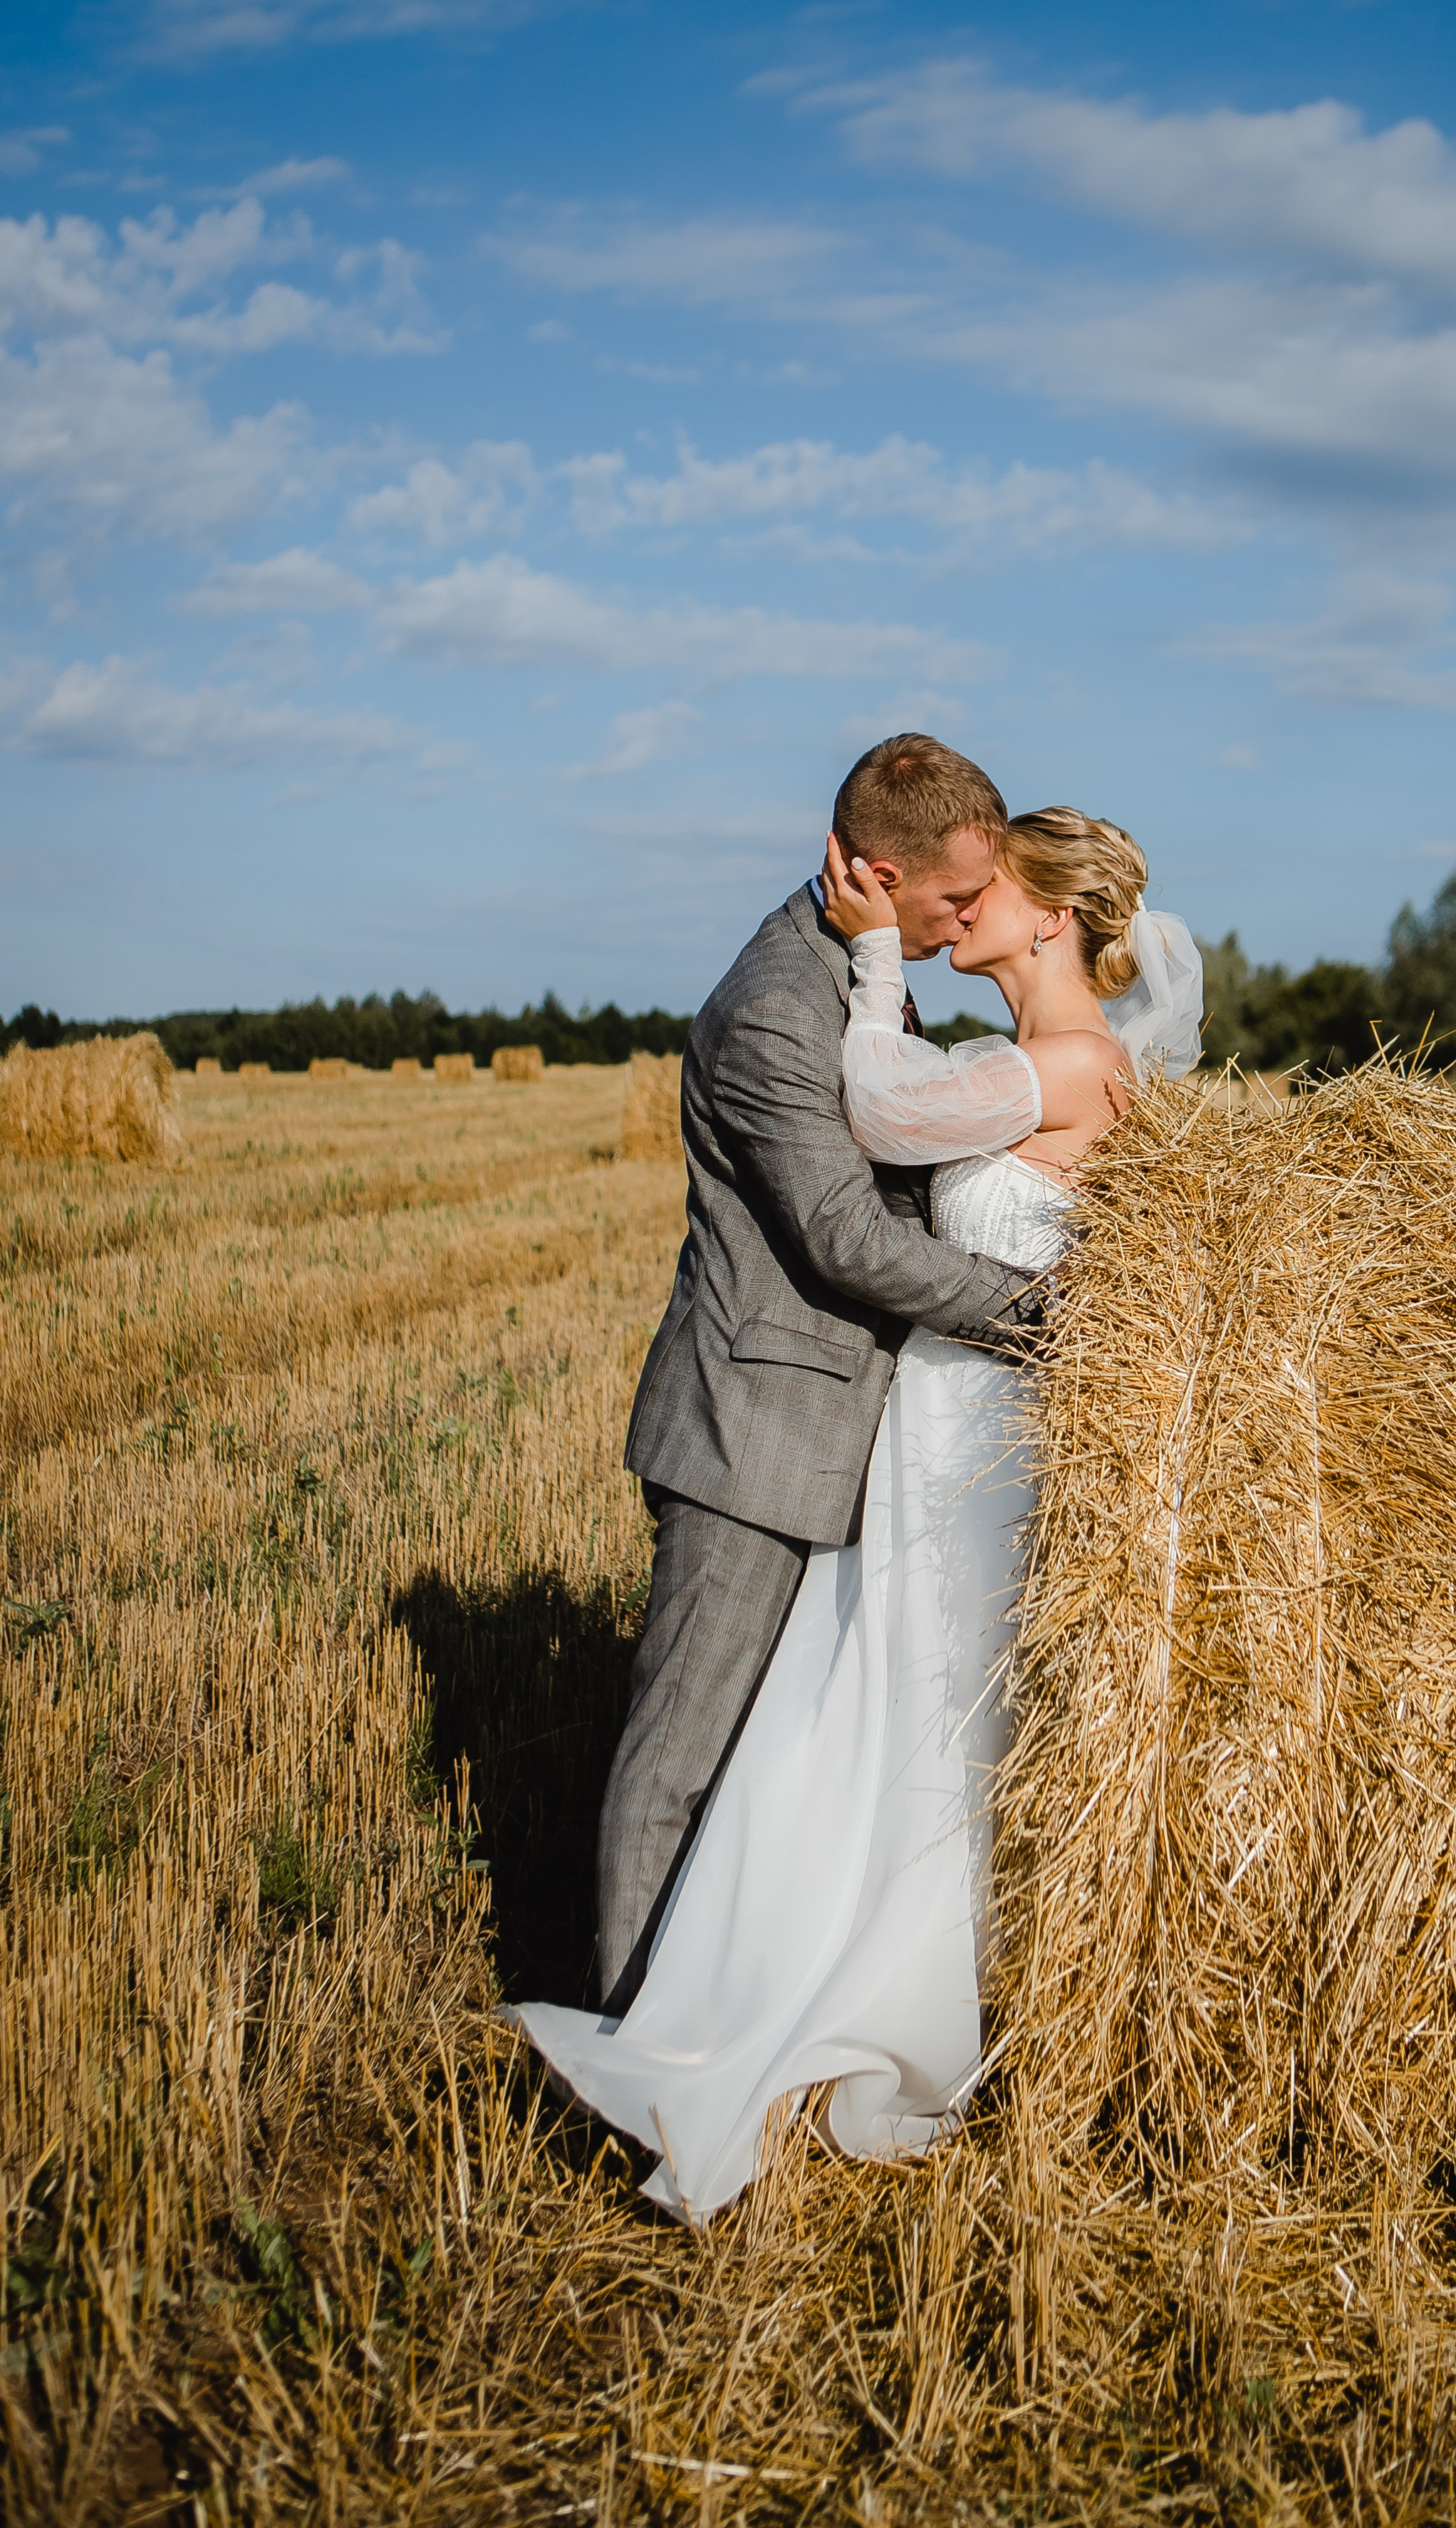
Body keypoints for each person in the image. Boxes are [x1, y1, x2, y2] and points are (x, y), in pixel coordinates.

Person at [511, 761, 1202, 2217]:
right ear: (876, 875)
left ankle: (821, 2004)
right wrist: (1048, 1317)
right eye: (948, 890)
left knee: (916, 1720)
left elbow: (899, 1150)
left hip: (948, 1437)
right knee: (705, 1748)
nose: (964, 911)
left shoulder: (1039, 1048)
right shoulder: (778, 1001)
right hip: (774, 1426)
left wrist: (1056, 1320)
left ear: (1044, 913)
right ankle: (655, 2049)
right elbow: (841, 1229)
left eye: (984, 893)